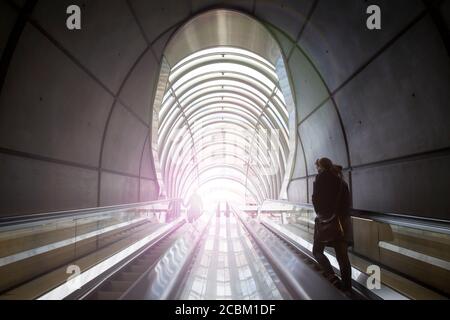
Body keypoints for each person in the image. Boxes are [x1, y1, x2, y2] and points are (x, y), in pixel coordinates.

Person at [312, 158, 353, 293]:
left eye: (316, 167)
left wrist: (323, 214)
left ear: (320, 167)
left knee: (317, 251)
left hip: (325, 223)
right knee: (343, 257)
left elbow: (316, 203)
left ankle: (332, 276)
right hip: (342, 223)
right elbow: (347, 204)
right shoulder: (342, 182)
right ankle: (347, 289)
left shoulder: (320, 179)